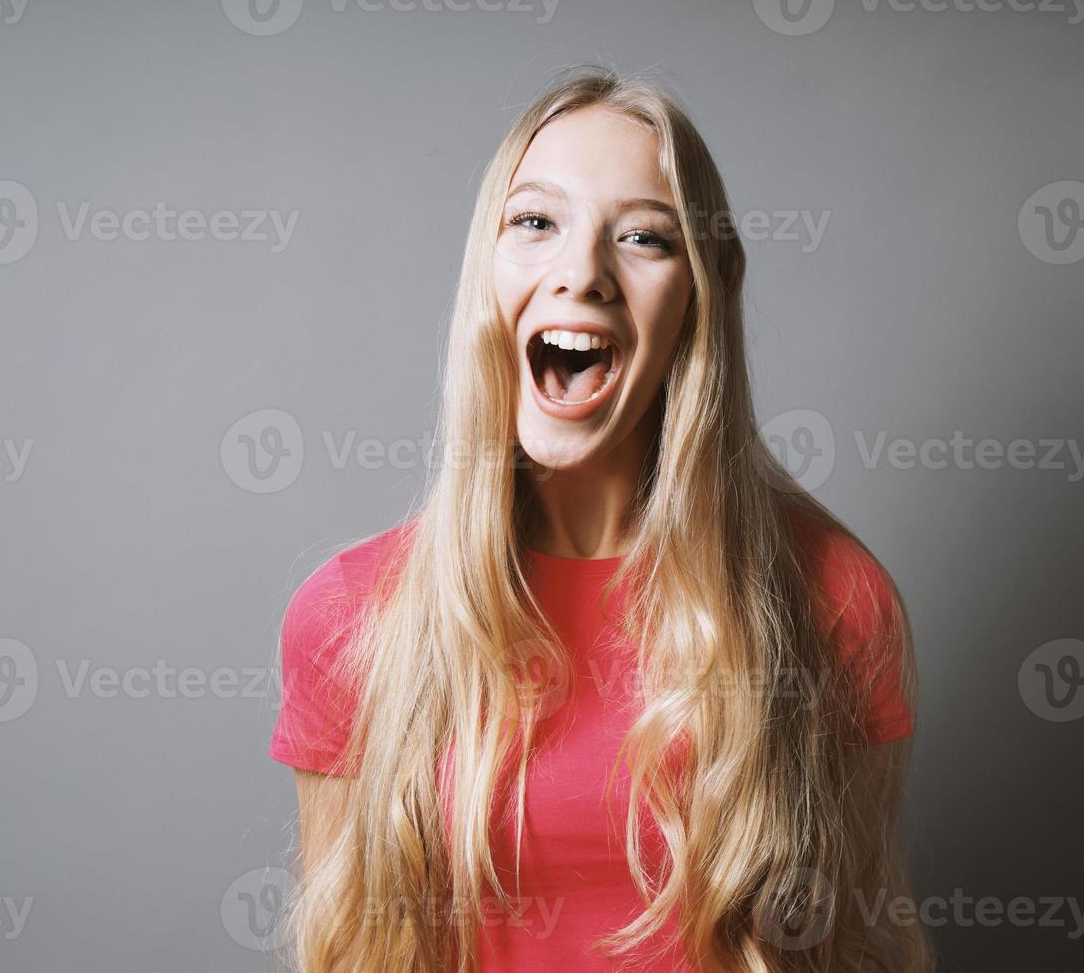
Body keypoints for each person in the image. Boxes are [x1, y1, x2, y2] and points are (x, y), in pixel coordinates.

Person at [268, 63, 929, 972]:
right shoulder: (349, 619)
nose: (581, 273)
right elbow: (347, 954)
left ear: (699, 294)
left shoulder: (834, 602)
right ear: (485, 271)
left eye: (646, 239)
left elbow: (854, 946)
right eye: (535, 222)